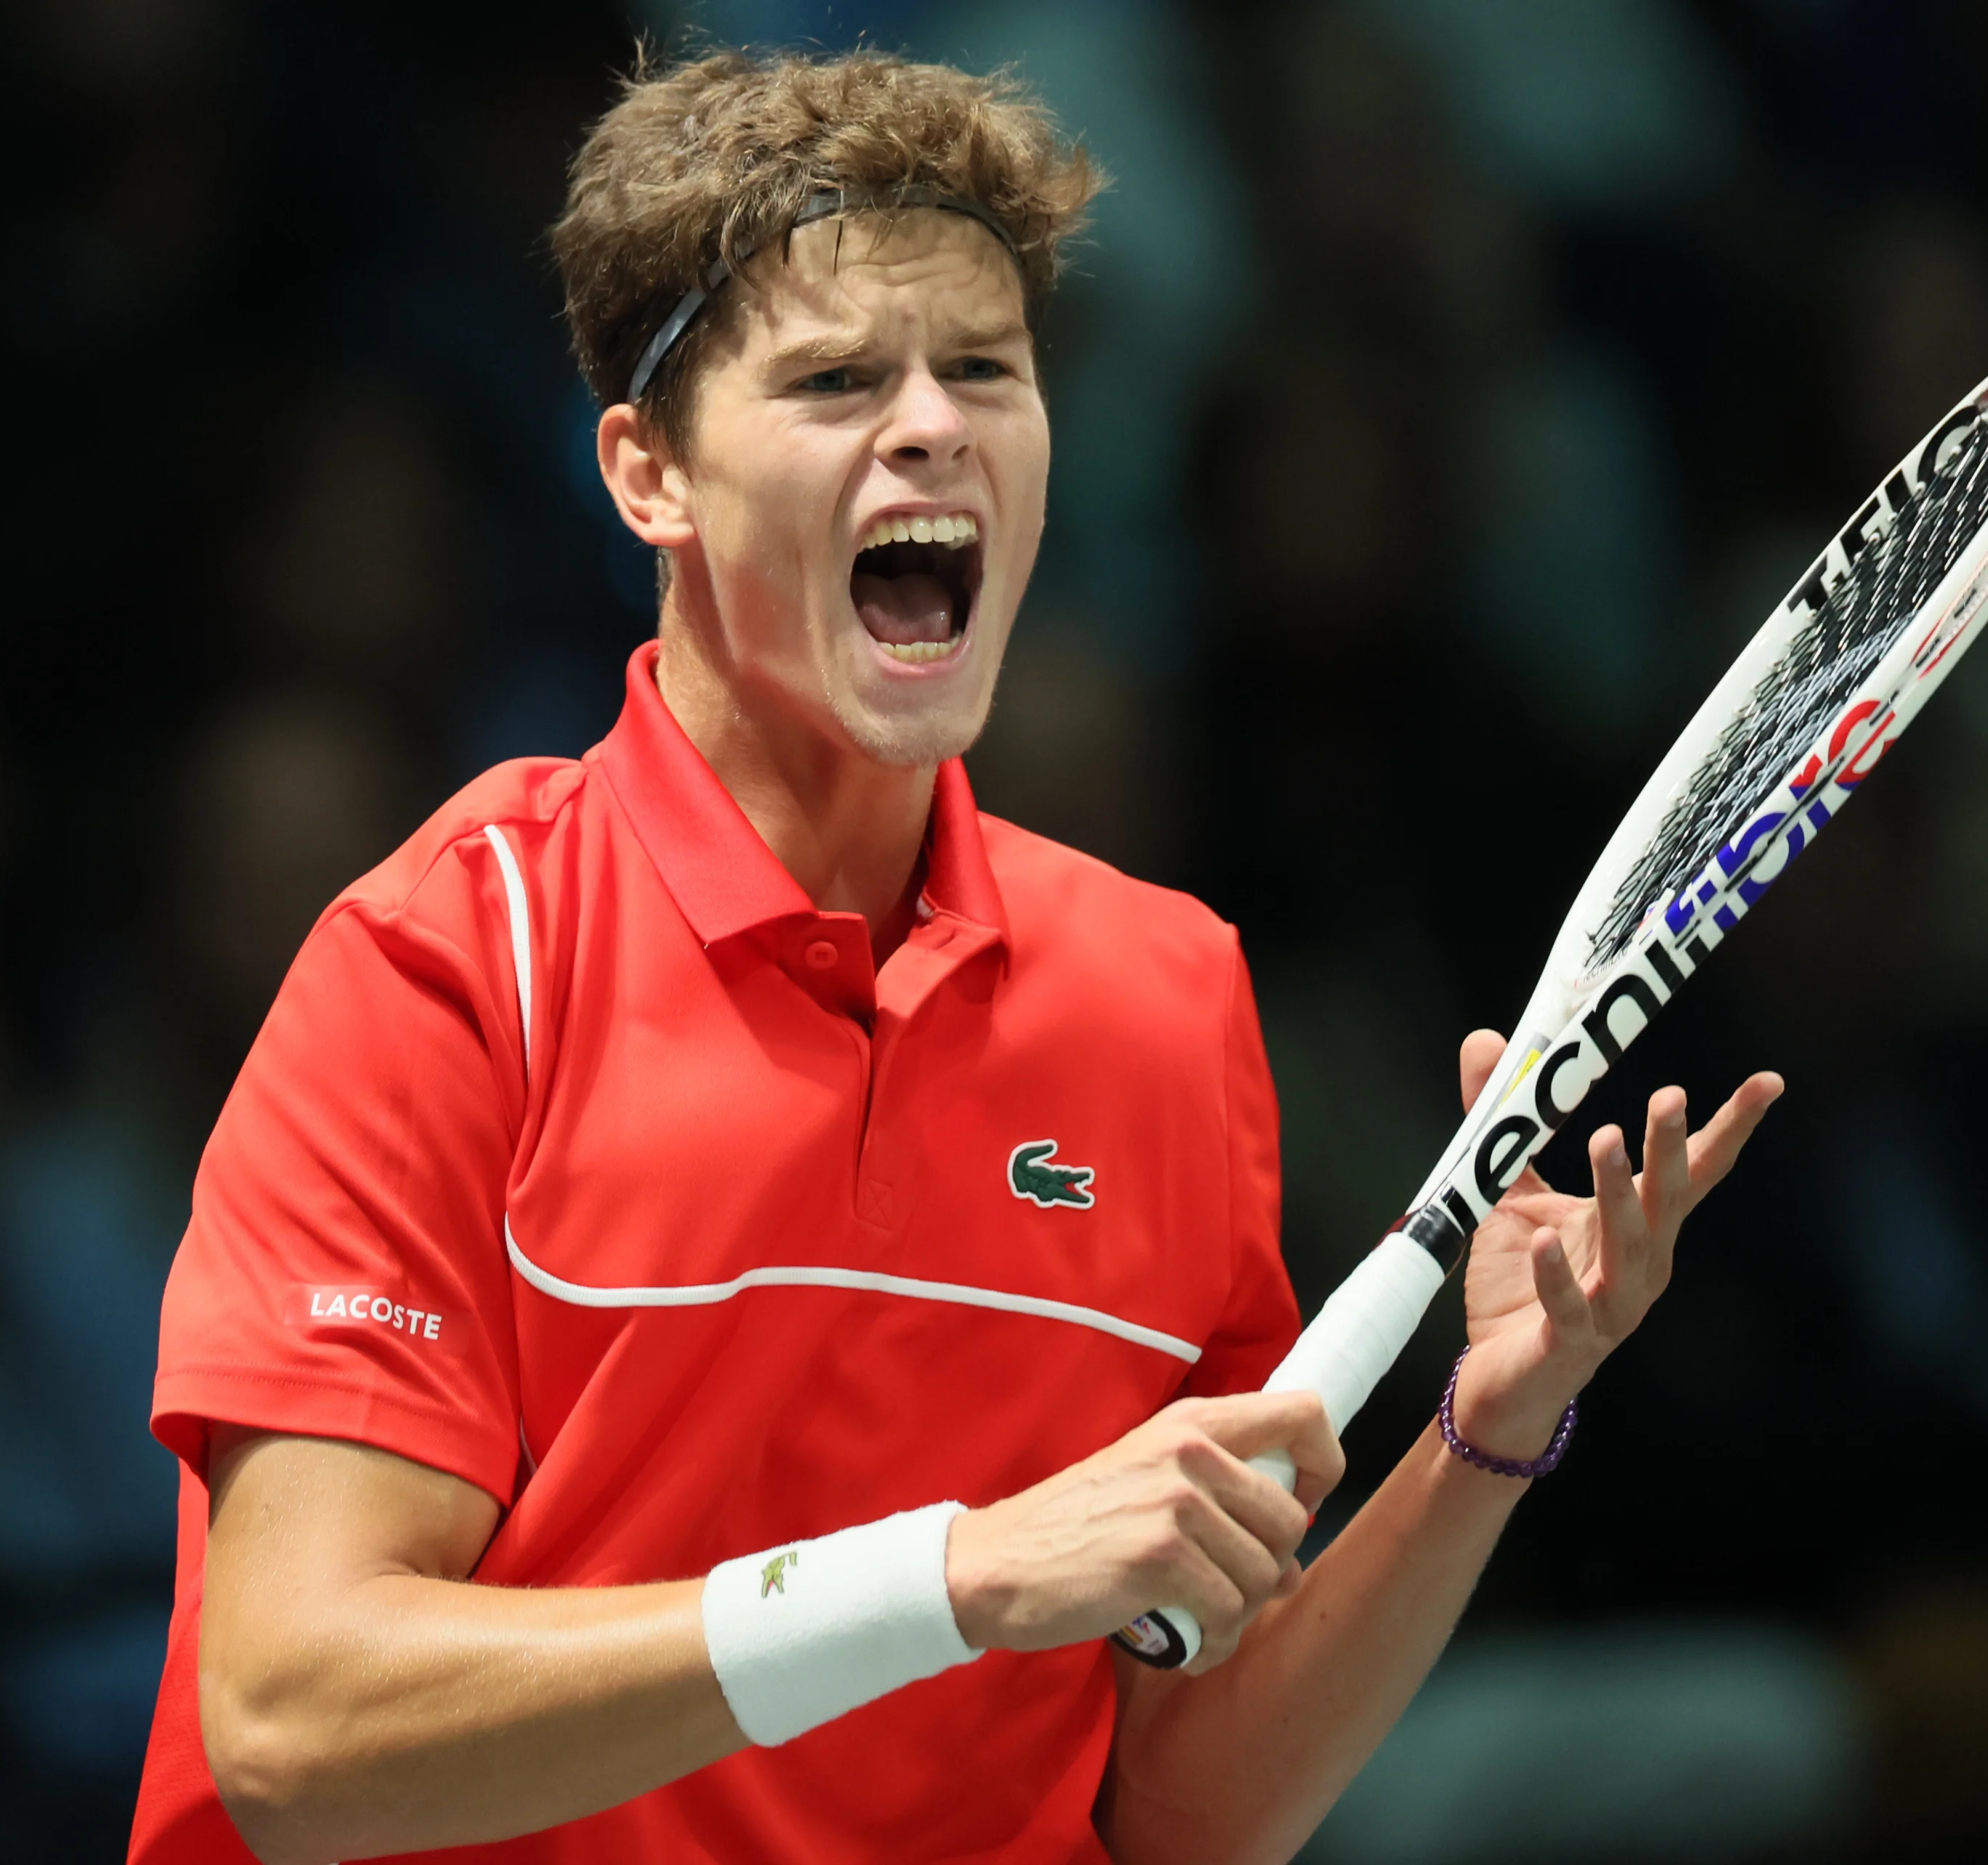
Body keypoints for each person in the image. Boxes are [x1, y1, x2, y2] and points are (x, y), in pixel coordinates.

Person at [127, 49, 1780, 1865]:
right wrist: (960, 1571)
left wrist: (1483, 1432)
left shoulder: (1164, 999)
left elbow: (1184, 1804)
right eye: (839, 379)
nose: (934, 426)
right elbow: (296, 1724)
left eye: (985, 367)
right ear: (648, 473)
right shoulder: (453, 960)